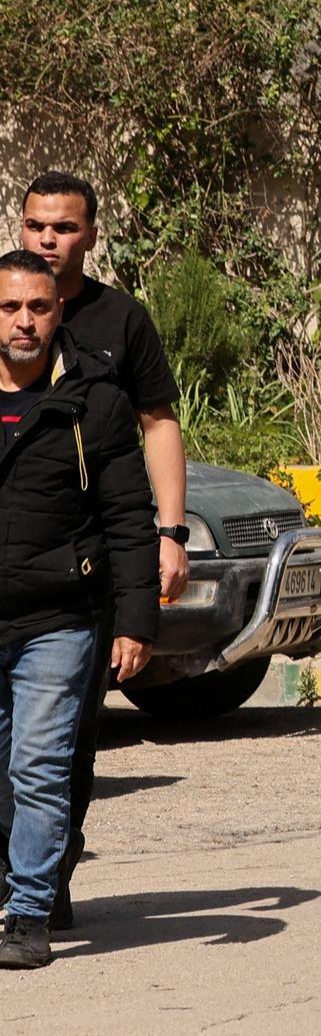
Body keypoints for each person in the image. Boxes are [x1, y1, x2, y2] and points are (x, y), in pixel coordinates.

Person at [18, 171, 182, 932]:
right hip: (17, 562)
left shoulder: (121, 319)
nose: (49, 238)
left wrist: (170, 533)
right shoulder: (4, 304)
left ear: (91, 234)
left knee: (64, 743)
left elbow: (157, 425)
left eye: (64, 227)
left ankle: (44, 874)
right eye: (36, 225)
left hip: (86, 573)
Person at [0, 249, 160, 969]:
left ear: (58, 309)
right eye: (10, 308)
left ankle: (28, 910)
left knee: (40, 764)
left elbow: (129, 515)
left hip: (59, 619)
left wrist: (135, 620)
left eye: (38, 307)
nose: (24, 321)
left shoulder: (94, 397)